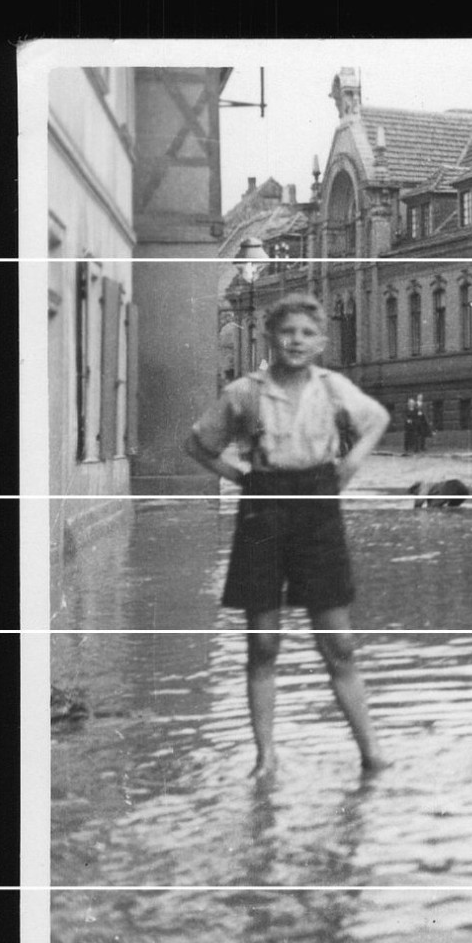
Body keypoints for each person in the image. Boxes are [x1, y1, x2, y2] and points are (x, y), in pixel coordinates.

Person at [184, 293, 391, 779]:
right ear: (270, 337)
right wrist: (239, 478)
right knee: (263, 641)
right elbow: (197, 443)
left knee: (338, 641)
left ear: (320, 342)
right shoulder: (243, 393)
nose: (296, 341)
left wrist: (354, 461)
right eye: (287, 332)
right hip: (263, 509)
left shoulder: (334, 387)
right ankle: (266, 757)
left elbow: (376, 419)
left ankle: (372, 752)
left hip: (318, 505)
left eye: (306, 333)